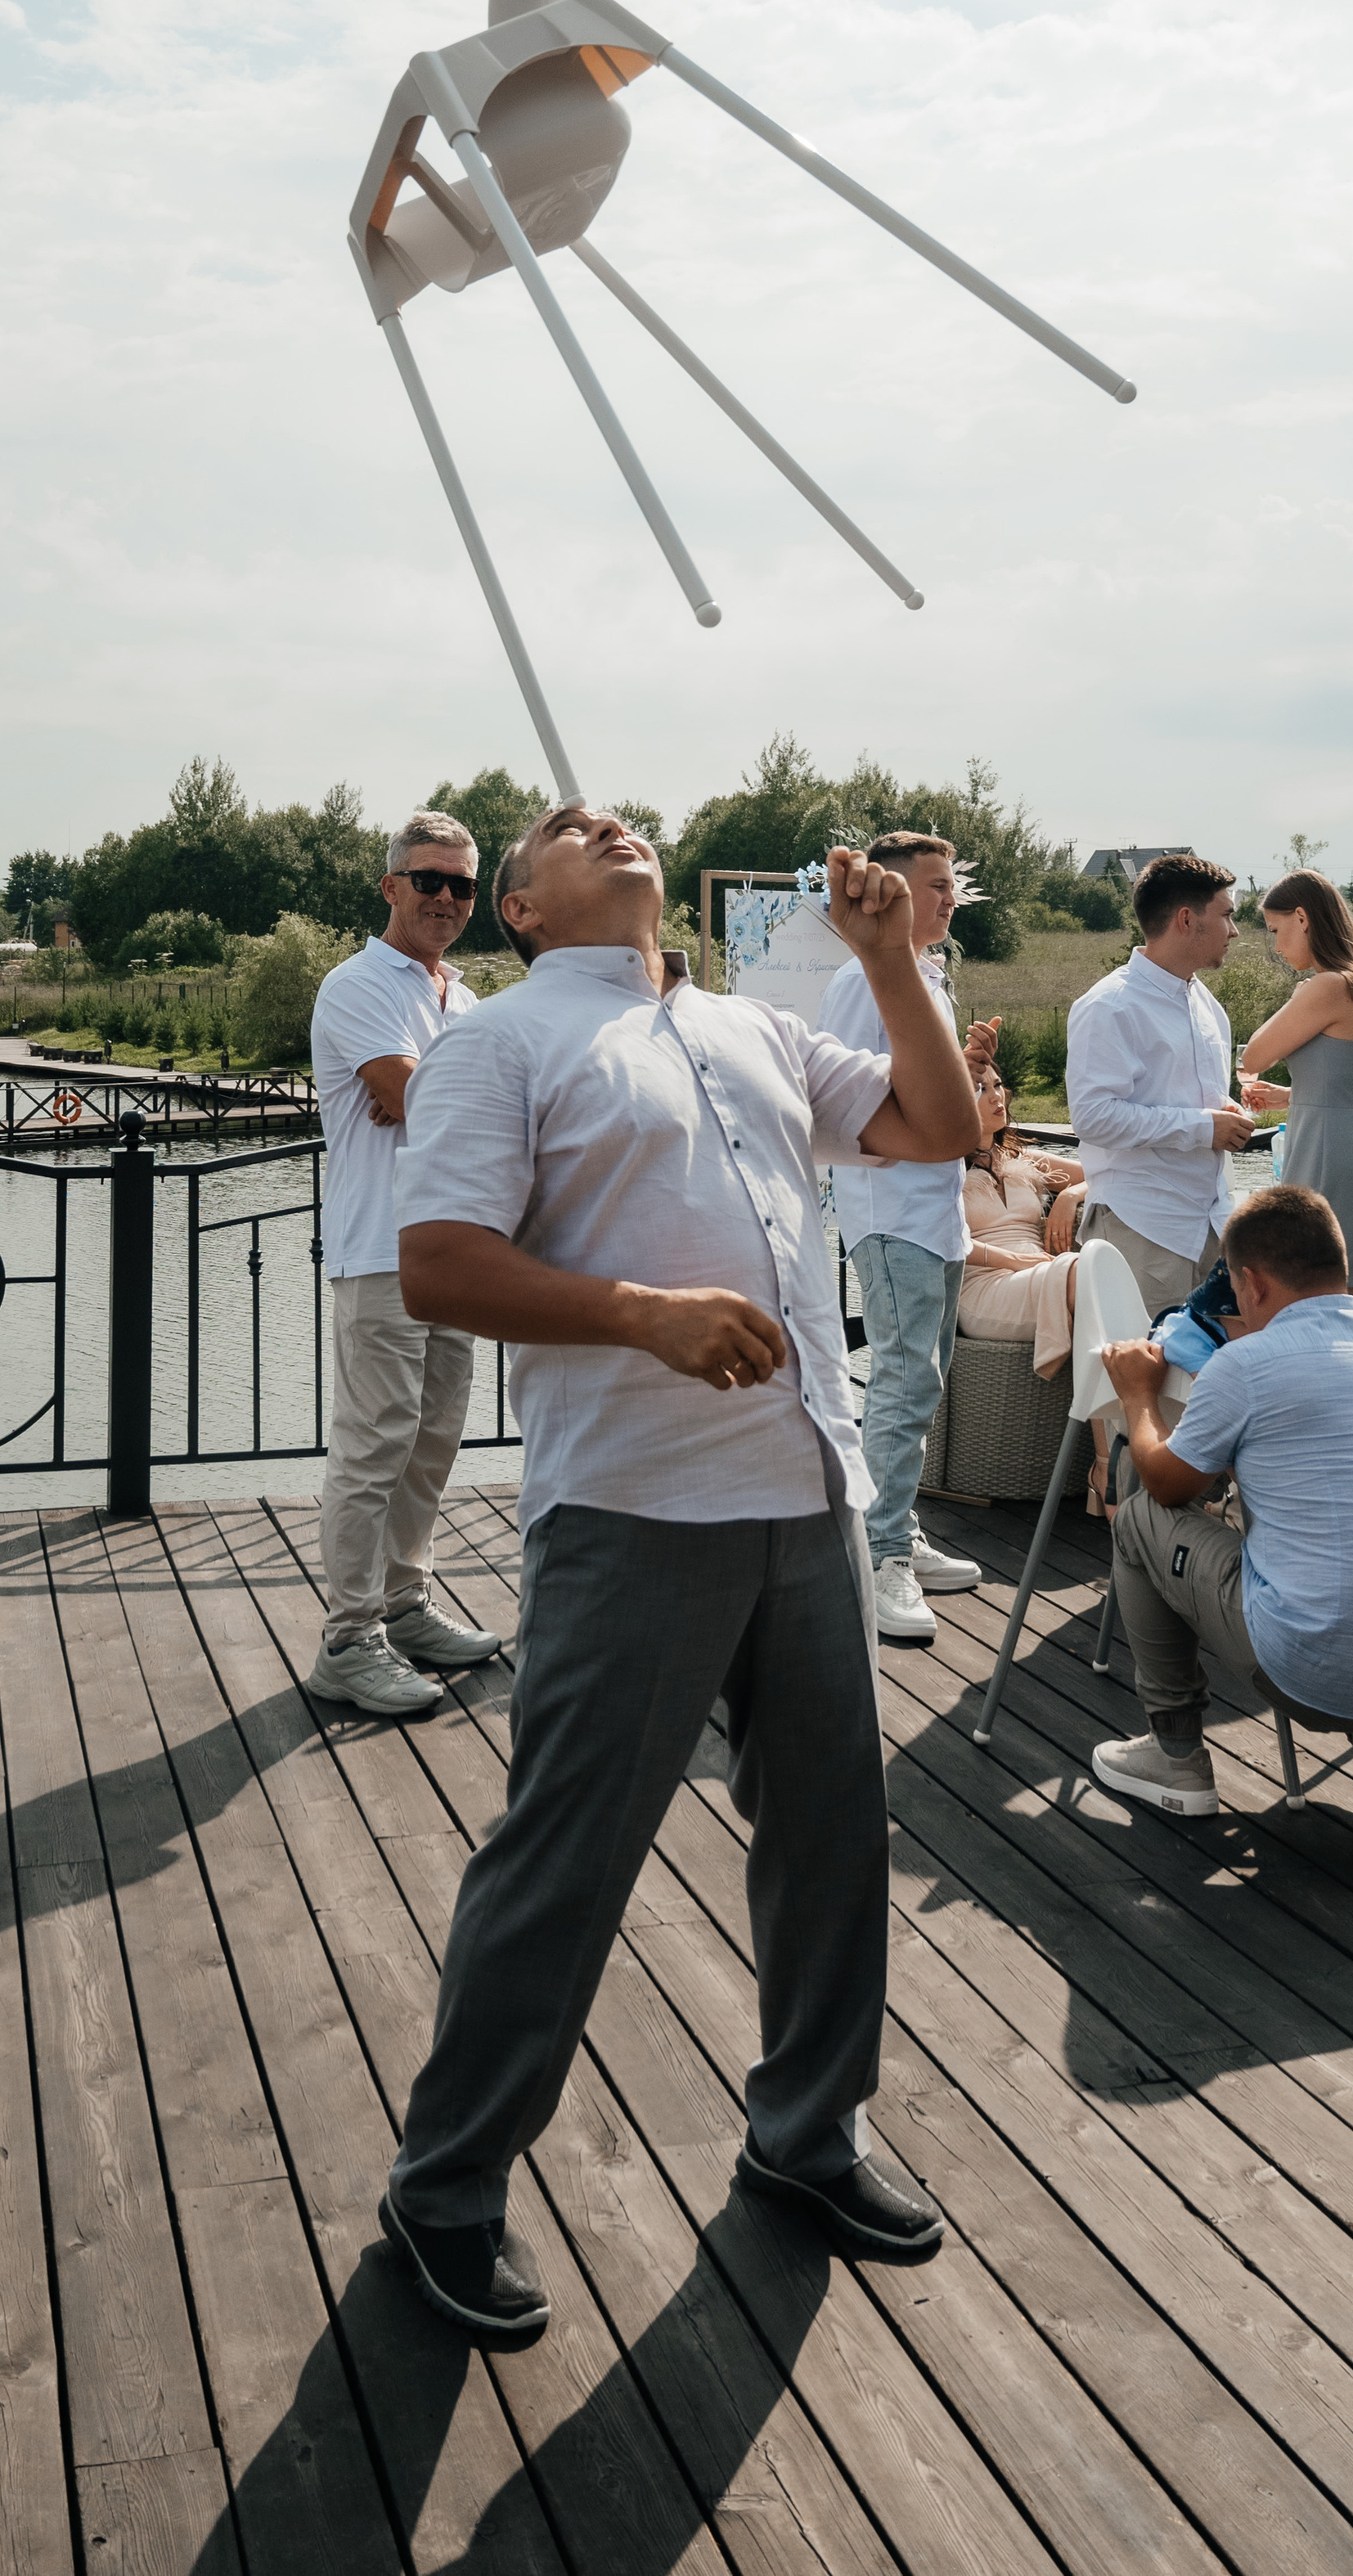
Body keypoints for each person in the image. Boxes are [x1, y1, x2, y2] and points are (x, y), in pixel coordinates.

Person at [378, 805, 982, 2340]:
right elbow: (437, 1263)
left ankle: (807, 2133)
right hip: (633, 1503)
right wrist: (642, 1311)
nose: (609, 825)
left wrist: (892, 959)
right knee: (566, 1856)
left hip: (807, 1485)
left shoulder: (753, 1026)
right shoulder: (499, 1042)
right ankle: (444, 2185)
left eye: (619, 817)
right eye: (566, 832)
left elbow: (936, 1128)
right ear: (520, 906)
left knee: (833, 1841)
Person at [1093, 1184, 1353, 1848]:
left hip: (1310, 1673)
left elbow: (1165, 1485)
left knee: (1136, 1521)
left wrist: (1138, 1396)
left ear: (1251, 1283)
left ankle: (1175, 1754)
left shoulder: (1245, 1364)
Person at [303, 810, 503, 1718]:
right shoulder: (357, 984)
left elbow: (465, 1102)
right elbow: (404, 1094)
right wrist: (429, 1092)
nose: (446, 898)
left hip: (456, 1250)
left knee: (432, 1441)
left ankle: (404, 1603)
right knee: (374, 1444)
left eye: (462, 885)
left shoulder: (463, 999)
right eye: (429, 880)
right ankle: (348, 1640)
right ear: (390, 886)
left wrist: (436, 1092)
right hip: (380, 1248)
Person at [816, 831, 996, 1643]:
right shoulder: (865, 977)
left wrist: (966, 1072)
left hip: (934, 1211)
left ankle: (898, 1529)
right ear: (886, 891)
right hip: (892, 1212)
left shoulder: (925, 975)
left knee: (921, 1382)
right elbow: (854, 1094)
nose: (949, 897)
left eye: (951, 885)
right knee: (902, 1380)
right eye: (934, 885)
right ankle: (879, 1552)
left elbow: (914, 1086)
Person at [1066, 853, 1256, 1492]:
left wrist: (1224, 1115)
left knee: (1215, 1393)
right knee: (1142, 1399)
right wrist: (1203, 1127)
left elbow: (1188, 1105)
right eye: (1226, 915)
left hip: (1211, 1223)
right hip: (1142, 1226)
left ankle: (1200, 1534)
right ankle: (1136, 1535)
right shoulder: (1108, 1006)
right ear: (1186, 920)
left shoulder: (1208, 1007)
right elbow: (1094, 1117)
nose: (1235, 929)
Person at [1236, 870, 1353, 1303]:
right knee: (1351, 1300)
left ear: (1302, 918)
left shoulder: (1327, 985)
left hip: (1324, 1156)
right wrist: (1293, 1097)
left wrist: (1297, 997)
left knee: (1304, 1298)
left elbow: (1253, 1056)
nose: (1276, 946)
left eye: (1276, 930)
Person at [957, 1070, 1084, 1378]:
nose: (996, 1096)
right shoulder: (945, 1170)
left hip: (1041, 1271)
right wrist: (1014, 1261)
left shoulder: (1022, 1158)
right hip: (984, 1289)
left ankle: (1103, 1404)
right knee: (1088, 1271)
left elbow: (1107, 1177)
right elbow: (936, 1236)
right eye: (981, 1089)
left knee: (1098, 1269)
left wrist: (1069, 1196)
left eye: (998, 1085)